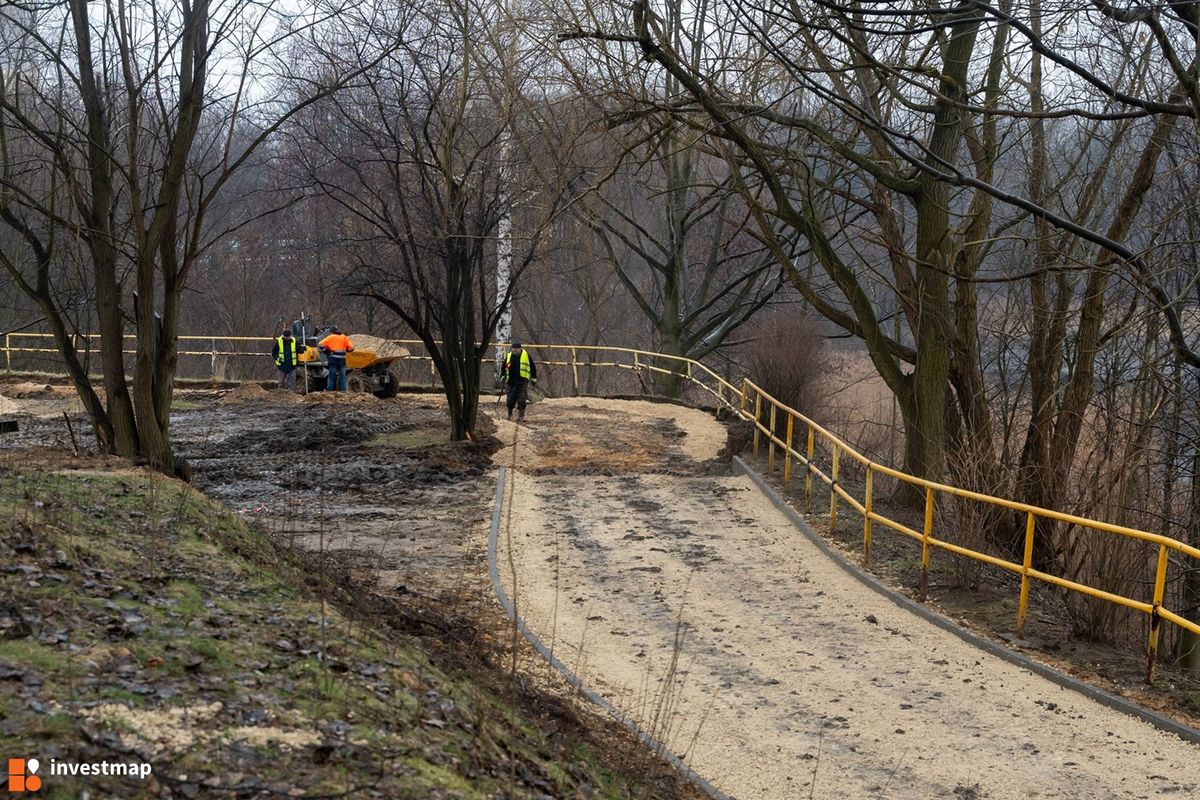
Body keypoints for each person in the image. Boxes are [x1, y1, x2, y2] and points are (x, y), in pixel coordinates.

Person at [502, 339, 537, 422]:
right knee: (510, 400)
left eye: (516, 348)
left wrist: (534, 378)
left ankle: (521, 417)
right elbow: (503, 367)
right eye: (513, 348)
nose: (514, 350)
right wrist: (502, 375)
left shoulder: (526, 355)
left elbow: (532, 367)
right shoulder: (509, 356)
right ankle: (509, 415)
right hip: (510, 382)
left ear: (520, 348)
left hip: (522, 382)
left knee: (522, 400)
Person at [319, 326, 354, 392]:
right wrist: (346, 350)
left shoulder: (331, 337)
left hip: (333, 360)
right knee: (343, 376)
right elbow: (352, 348)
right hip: (342, 361)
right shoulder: (344, 337)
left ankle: (329, 390)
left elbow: (320, 344)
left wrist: (327, 352)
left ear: (332, 332)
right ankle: (343, 391)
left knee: (331, 376)